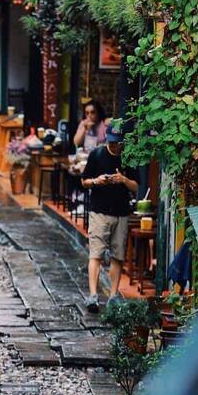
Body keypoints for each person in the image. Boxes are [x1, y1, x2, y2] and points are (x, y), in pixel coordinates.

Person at [81, 125, 139, 313]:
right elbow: (84, 181)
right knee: (95, 254)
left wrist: (123, 180)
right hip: (99, 212)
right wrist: (97, 181)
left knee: (118, 255)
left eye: (117, 143)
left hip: (121, 212)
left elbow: (136, 187)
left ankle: (113, 296)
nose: (114, 146)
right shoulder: (97, 155)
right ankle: (93, 296)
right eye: (111, 142)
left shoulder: (128, 157)